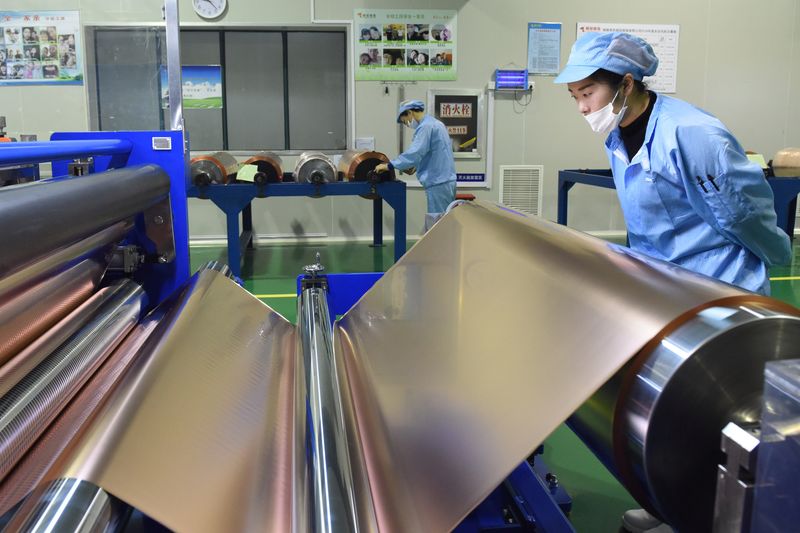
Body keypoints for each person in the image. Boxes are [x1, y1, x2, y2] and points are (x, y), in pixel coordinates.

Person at [555, 31, 789, 302]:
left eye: (588, 93)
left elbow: (742, 213)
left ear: (627, 84)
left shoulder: (691, 133)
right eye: (574, 96)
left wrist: (778, 253)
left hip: (721, 282)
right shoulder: (616, 135)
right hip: (664, 282)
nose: (582, 108)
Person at [374, 99, 457, 230]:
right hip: (445, 180)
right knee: (445, 220)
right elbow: (432, 152)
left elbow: (416, 152)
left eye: (405, 120)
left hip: (438, 182)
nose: (407, 124)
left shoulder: (425, 127)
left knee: (438, 224)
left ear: (410, 112)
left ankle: (438, 250)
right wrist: (415, 166)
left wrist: (389, 165)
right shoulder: (436, 124)